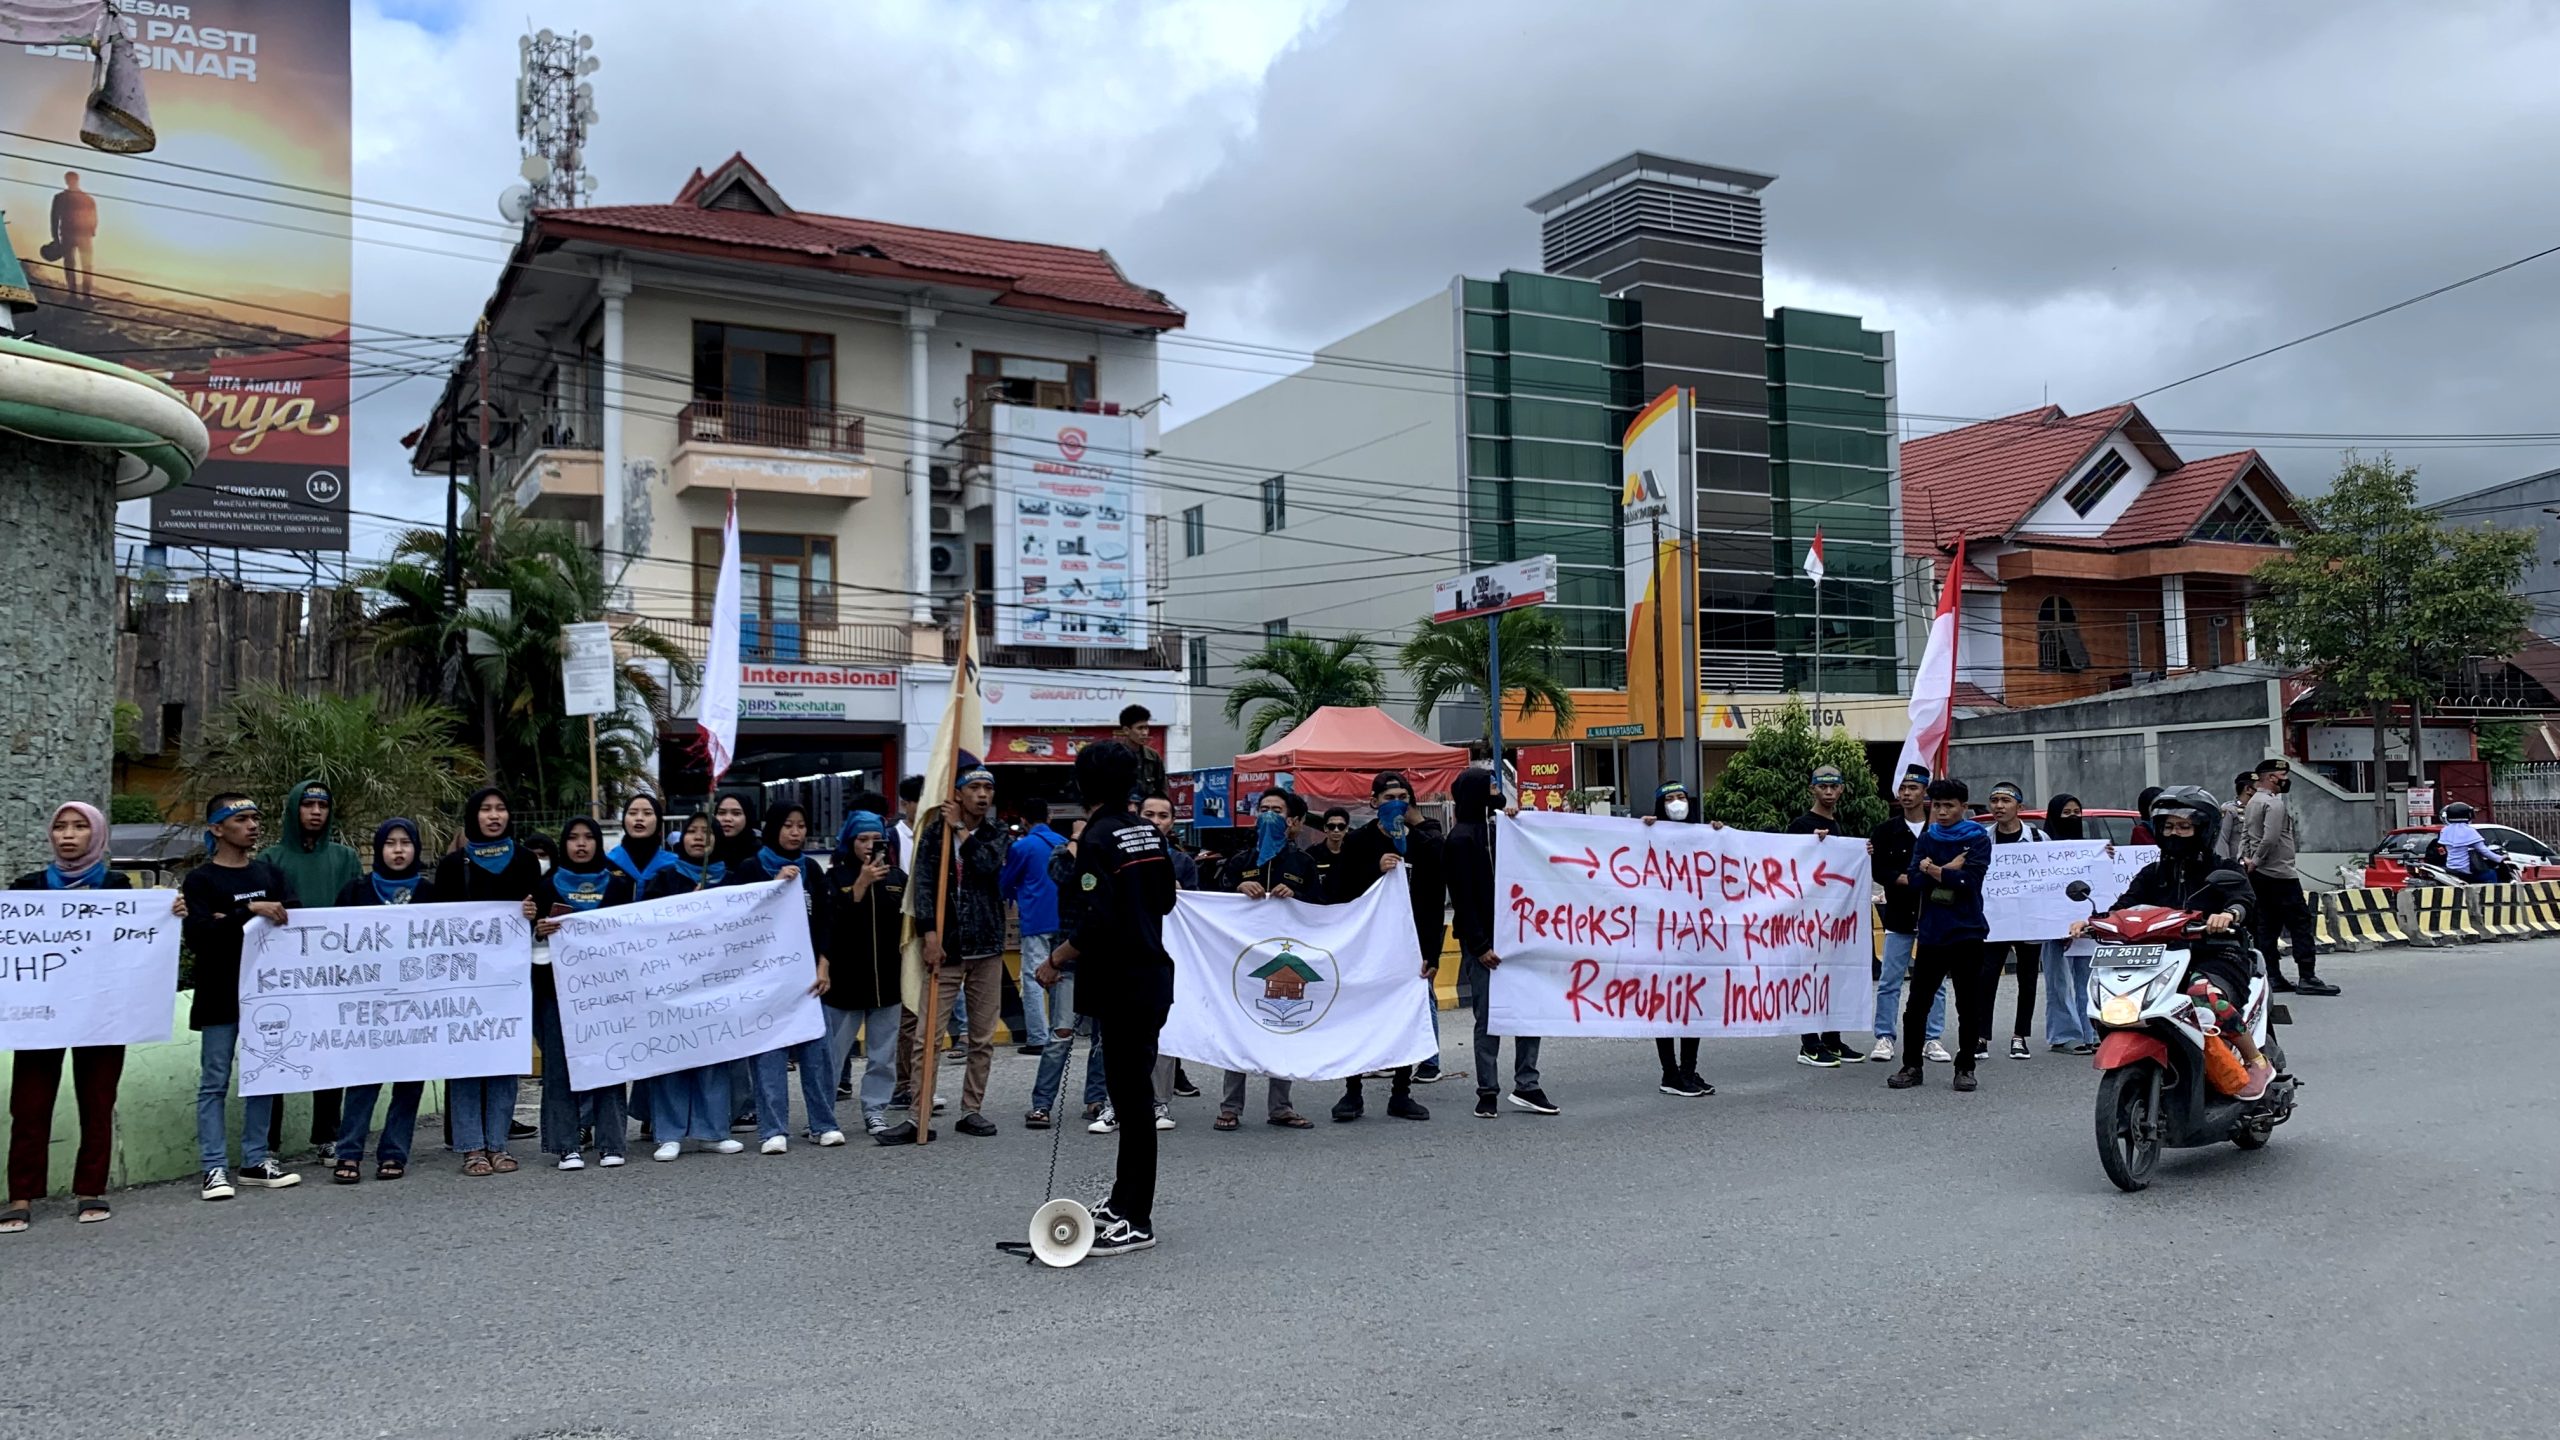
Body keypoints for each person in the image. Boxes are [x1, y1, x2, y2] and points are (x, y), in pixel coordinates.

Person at [1033, 740, 1179, 1257]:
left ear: (1082, 785)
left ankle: (1136, 1218)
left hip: (1122, 984)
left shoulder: (1095, 838)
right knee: (1131, 1098)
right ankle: (1121, 1202)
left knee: (1132, 1104)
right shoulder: (1148, 831)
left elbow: (1098, 919)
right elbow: (1166, 899)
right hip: (1151, 977)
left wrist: (1055, 960)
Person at [5, 802, 180, 1230]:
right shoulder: (26, 889)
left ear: (97, 835)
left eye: (80, 826)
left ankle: (91, 1189)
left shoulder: (117, 887)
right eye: (60, 827)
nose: (68, 835)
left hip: (102, 1013)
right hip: (40, 1014)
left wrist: (172, 913)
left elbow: (140, 939)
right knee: (28, 1105)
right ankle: (21, 1195)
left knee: (98, 1101)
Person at [2076, 786, 2273, 1098]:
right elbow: (2124, 908)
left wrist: (2228, 914)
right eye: (2168, 826)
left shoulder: (2224, 869)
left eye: (2184, 826)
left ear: (2203, 830)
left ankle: (2256, 1061)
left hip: (2216, 954)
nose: (2174, 833)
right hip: (2160, 958)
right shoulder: (2152, 873)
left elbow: (2243, 900)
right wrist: (2091, 923)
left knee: (2203, 995)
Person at [181, 794, 300, 1199]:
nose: (252, 826)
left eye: (255, 818)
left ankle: (255, 1159)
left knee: (263, 1077)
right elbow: (200, 936)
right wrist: (250, 911)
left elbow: (294, 918)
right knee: (214, 1081)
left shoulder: (270, 873)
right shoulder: (200, 881)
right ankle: (213, 1167)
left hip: (264, 994)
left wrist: (229, 918)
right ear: (217, 828)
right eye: (242, 819)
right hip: (218, 993)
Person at [430, 788, 549, 1176]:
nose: (494, 816)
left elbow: (541, 915)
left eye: (501, 808)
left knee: (504, 1058)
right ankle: (471, 1147)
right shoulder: (452, 865)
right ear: (473, 816)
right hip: (465, 979)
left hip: (510, 980)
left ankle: (498, 1144)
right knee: (467, 1061)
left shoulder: (525, 860)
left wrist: (532, 912)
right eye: (485, 809)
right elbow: (438, 922)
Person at [320, 818, 436, 1185]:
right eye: (390, 843)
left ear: (416, 848)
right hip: (367, 1006)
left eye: (406, 843)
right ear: (378, 849)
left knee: (409, 1081)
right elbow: (336, 943)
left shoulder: (430, 894)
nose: (398, 850)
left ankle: (394, 1153)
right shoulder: (356, 891)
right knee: (363, 1079)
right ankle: (349, 1152)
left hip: (415, 1005)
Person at [253, 778, 359, 1159]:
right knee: (276, 1051)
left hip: (333, 971)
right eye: (308, 804)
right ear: (294, 809)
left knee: (329, 1052)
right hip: (283, 973)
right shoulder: (270, 859)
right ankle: (268, 1143)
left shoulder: (345, 858)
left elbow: (357, 911)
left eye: (323, 805)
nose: (316, 812)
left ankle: (328, 1135)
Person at [1326, 772, 1440, 1121]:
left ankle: (1401, 1092)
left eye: (1403, 798)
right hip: (1367, 945)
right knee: (1359, 1016)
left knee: (1405, 1017)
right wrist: (1374, 870)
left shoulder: (1421, 843)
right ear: (1374, 802)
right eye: (1389, 797)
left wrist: (1432, 953)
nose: (1397, 804)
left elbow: (1433, 900)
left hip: (1409, 946)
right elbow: (1339, 892)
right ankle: (1353, 1091)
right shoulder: (1357, 841)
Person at [908, 759, 1008, 1138]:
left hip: (986, 946)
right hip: (947, 947)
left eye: (988, 789)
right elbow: (923, 885)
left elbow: (986, 865)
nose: (982, 795)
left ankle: (971, 1110)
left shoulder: (997, 832)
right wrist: (929, 935)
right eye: (974, 788)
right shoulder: (935, 833)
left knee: (981, 1038)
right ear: (957, 794)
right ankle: (918, 1114)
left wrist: (962, 830)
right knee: (927, 1038)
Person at [734, 802, 842, 1152]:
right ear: (774, 828)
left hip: (807, 977)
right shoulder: (750, 868)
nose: (796, 832)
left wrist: (823, 964)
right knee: (769, 1054)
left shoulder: (811, 869)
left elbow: (826, 919)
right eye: (788, 825)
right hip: (765, 980)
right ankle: (772, 1129)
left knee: (817, 1053)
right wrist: (773, 886)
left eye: (801, 825)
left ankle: (823, 1123)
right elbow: (734, 917)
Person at [1448, 768, 1554, 1119]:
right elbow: (1463, 898)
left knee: (1528, 1012)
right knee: (1488, 1018)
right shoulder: (1461, 839)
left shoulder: (1500, 830)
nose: (1498, 790)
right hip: (1484, 944)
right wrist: (1480, 946)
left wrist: (1516, 821)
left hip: (1517, 939)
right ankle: (1487, 1090)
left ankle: (1528, 1084)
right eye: (1492, 785)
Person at [1212, 788, 1318, 1130]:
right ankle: (1230, 1107)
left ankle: (1281, 1107)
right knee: (1238, 1029)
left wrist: (1296, 895)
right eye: (1264, 809)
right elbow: (1213, 903)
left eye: (1277, 810)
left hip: (1285, 961)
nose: (1269, 815)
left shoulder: (1303, 863)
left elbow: (1321, 908)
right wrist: (1238, 890)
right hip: (1242, 962)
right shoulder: (1240, 861)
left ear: (1291, 821)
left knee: (1282, 1028)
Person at [641, 813, 745, 1159]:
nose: (699, 838)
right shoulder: (664, 878)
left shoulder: (731, 881)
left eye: (707, 832)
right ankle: (668, 1133)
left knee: (713, 1058)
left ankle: (712, 1130)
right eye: (692, 832)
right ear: (681, 838)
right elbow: (645, 927)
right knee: (671, 1056)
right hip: (671, 984)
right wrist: (685, 909)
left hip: (715, 984)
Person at [529, 817, 631, 1170]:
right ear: (564, 844)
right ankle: (566, 1146)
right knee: (558, 1068)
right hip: (555, 991)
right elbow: (528, 937)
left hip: (606, 993)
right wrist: (539, 930)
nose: (581, 844)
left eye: (589, 837)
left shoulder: (618, 884)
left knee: (609, 1063)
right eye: (573, 838)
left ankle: (611, 1143)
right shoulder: (545, 886)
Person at [1887, 779, 1997, 1093]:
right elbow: (1913, 880)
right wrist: (1948, 869)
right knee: (1916, 1005)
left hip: (1967, 931)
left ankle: (1965, 1067)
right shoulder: (1928, 837)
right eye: (1937, 806)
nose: (1943, 812)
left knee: (1968, 1005)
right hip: (1932, 933)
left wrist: (1933, 870)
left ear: (1964, 807)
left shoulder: (1977, 839)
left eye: (1949, 806)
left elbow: (1970, 881)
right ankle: (1911, 1066)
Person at [825, 810, 906, 1139]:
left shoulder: (897, 878)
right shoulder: (835, 878)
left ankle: (875, 1110)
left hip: (887, 981)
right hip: (844, 982)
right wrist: (859, 886)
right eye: (862, 839)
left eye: (876, 839)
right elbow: (831, 924)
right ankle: (822, 1114)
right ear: (850, 842)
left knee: (882, 1056)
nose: (870, 845)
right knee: (832, 1053)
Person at [1636, 782, 1718, 1097]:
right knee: (1666, 1006)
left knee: (1693, 1004)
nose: (1676, 803)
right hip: (1661, 938)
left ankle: (1688, 1071)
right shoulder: (1649, 835)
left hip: (1695, 937)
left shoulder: (1703, 836)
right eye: (1669, 799)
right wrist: (1642, 832)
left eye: (1681, 797)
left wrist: (1718, 835)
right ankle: (1670, 1073)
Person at [1867, 772, 1952, 1066]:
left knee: (1936, 983)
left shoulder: (1940, 829)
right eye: (1902, 788)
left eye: (1913, 788)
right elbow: (1879, 870)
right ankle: (1884, 1036)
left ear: (1924, 792)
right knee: (1890, 980)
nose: (1906, 793)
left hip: (1935, 915)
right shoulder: (1885, 831)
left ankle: (1932, 1038)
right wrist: (1907, 879)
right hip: (1899, 915)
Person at [2238, 758, 2340, 996]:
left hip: (2259, 875)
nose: (2285, 780)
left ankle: (2273, 976)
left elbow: (2245, 834)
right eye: (2283, 776)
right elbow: (2271, 837)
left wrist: (2246, 860)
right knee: (2300, 924)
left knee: (2267, 926)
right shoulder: (2273, 804)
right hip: (2281, 874)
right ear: (2272, 778)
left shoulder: (2253, 802)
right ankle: (2307, 976)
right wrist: (2258, 860)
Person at [1787, 765, 1862, 1067]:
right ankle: (1809, 1043)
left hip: (1833, 919)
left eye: (1834, 787)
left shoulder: (1838, 826)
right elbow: (1788, 864)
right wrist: (1809, 844)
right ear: (1813, 789)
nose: (1828, 792)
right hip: (1807, 919)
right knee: (1808, 978)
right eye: (1823, 787)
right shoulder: (1800, 826)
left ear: (1841, 789)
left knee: (1833, 977)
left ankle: (1832, 1038)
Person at [1983, 780, 2052, 1060]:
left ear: (2019, 807)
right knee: (1986, 977)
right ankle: (1980, 1036)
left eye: (2005, 801)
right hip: (1994, 920)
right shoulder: (1983, 838)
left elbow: (2057, 872)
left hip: (2029, 920)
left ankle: (2020, 1036)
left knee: (2027, 979)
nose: (1999, 806)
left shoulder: (2038, 838)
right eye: (1994, 801)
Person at [1001, 809, 1072, 1057]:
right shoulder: (1064, 842)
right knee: (1059, 975)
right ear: (1049, 818)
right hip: (1063, 919)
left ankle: (1038, 1037)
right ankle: (1059, 1033)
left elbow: (1006, 881)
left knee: (1033, 978)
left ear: (1024, 820)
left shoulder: (1022, 847)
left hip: (1035, 918)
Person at [2038, 794, 2100, 1055]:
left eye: (2077, 812)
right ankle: (2064, 1035)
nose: (2073, 818)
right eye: (2066, 813)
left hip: (2084, 926)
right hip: (2054, 926)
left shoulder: (2089, 850)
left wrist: (2106, 857)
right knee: (2059, 982)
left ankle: (2092, 1031)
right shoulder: (2042, 850)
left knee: (2089, 980)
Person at [49, 172, 96, 301]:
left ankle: (84, 295)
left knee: (84, 265)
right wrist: (55, 238)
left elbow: (93, 217)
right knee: (75, 264)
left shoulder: (85, 198)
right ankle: (76, 294)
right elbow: (54, 218)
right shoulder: (84, 198)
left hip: (79, 235)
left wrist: (91, 231)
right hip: (72, 235)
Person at [2436, 801, 2509, 884]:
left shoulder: (2445, 830)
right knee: (2491, 874)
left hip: (2450, 868)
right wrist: (2499, 858)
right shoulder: (2468, 831)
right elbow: (2483, 850)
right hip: (2464, 871)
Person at [1117, 703, 1168, 803]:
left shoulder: (1153, 757)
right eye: (1140, 728)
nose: (1145, 733)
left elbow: (1162, 789)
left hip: (1147, 809)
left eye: (1146, 728)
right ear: (1126, 730)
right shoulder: (1114, 755)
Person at [1307, 806, 1352, 896]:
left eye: (1341, 826)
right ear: (1325, 828)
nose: (1336, 830)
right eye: (1331, 826)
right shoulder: (1312, 854)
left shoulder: (1353, 855)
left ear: (1347, 828)